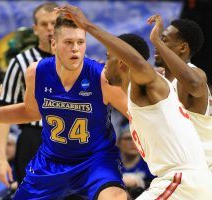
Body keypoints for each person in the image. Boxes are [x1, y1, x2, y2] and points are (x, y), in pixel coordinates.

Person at [0, 11, 129, 200]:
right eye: (68, 42)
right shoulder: (36, 72)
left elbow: (135, 115)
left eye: (80, 42)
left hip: (95, 161)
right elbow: (30, 112)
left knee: (115, 197)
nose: (75, 48)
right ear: (54, 44)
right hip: (51, 161)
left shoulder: (101, 78)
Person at [55, 4, 212, 199]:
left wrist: (87, 25)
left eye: (108, 57)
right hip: (185, 179)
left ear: (122, 62)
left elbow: (137, 62)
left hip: (182, 180)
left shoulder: (145, 86)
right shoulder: (144, 90)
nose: (103, 63)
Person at [0, 2, 58, 186]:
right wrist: (1, 159)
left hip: (71, 136)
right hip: (33, 138)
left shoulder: (78, 59)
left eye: (54, 23)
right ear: (35, 29)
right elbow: (5, 111)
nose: (50, 28)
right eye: (44, 24)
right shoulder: (21, 61)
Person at [149, 14, 212, 171]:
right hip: (173, 167)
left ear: (183, 48)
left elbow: (194, 83)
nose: (156, 45)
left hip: (200, 168)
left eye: (164, 40)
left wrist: (155, 39)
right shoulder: (159, 78)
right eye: (159, 40)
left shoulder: (196, 74)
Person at [117, 124, 154, 198]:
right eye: (128, 138)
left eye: (136, 138)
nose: (133, 142)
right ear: (118, 142)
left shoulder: (151, 163)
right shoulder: (111, 164)